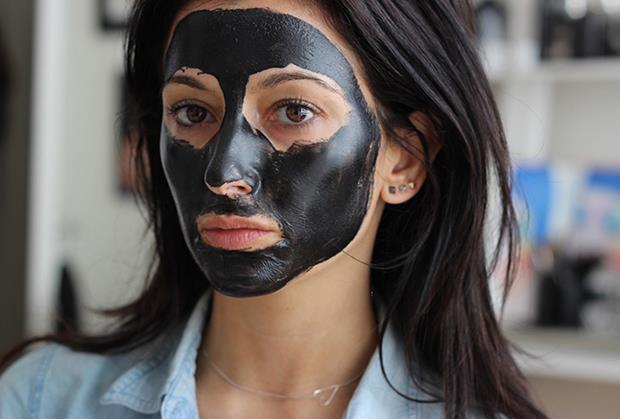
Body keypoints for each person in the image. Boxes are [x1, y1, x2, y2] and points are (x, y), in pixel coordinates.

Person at [0, 1, 548, 418]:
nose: (224, 174)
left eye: (293, 111)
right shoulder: (40, 400)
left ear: (405, 157)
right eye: (192, 112)